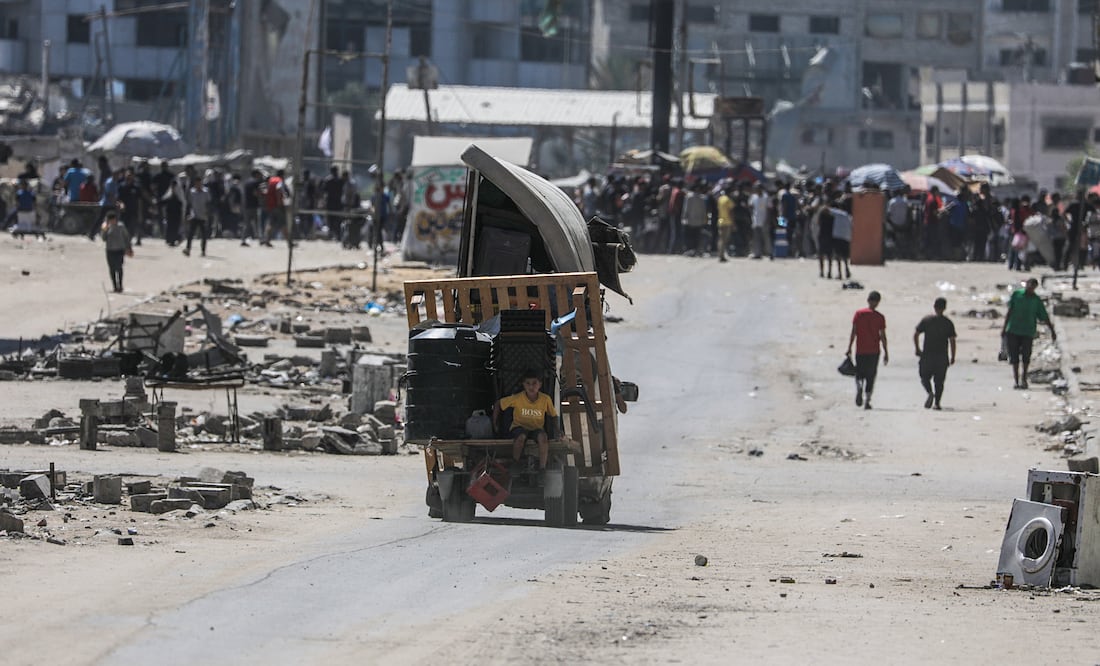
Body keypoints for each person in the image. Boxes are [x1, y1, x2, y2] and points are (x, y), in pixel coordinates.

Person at [493, 369, 558, 471]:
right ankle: (515, 464)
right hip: (519, 428)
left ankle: (542, 469)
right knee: (521, 437)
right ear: (523, 385)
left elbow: (553, 416)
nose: (531, 387)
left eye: (534, 383)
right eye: (528, 383)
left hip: (536, 429)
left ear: (540, 384)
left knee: (543, 437)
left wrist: (558, 430)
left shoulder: (545, 399)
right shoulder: (517, 398)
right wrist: (495, 423)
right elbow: (498, 404)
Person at [1001, 278, 1056, 390]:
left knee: (1026, 357)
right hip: (1013, 330)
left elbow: (1044, 316)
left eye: (1032, 287)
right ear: (1026, 285)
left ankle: (1024, 379)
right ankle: (1016, 381)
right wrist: (1004, 328)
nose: (1030, 289)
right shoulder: (1017, 295)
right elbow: (1010, 311)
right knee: (1014, 357)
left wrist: (1052, 330)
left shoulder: (1036, 300)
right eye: (1029, 286)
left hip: (1028, 332)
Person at [846, 290, 889, 410]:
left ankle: (859, 386)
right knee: (871, 375)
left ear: (868, 300)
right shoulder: (880, 317)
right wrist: (886, 352)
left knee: (859, 373)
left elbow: (854, 332)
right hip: (874, 351)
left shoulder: (859, 314)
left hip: (860, 350)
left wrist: (849, 347)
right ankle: (867, 400)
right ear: (878, 302)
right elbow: (883, 336)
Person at [914, 297, 957, 410]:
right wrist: (953, 356)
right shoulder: (948, 323)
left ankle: (929, 392)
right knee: (939, 381)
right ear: (945, 308)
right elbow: (952, 340)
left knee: (924, 377)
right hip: (942, 356)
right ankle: (937, 403)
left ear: (934, 307)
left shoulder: (927, 320)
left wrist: (917, 349)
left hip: (927, 354)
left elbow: (916, 334)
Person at [100, 209, 132, 293]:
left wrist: (129, 248)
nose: (111, 221)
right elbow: (103, 239)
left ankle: (120, 285)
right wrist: (105, 229)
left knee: (119, 268)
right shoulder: (106, 227)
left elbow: (126, 237)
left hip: (119, 250)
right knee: (112, 269)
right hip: (110, 250)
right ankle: (115, 286)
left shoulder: (121, 226)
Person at [184, 175, 210, 257]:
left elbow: (209, 203)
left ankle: (203, 251)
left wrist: (208, 213)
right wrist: (188, 214)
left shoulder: (206, 192)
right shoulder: (192, 192)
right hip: (194, 215)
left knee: (203, 235)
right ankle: (188, 249)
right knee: (191, 234)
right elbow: (189, 204)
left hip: (203, 216)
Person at [716, 184, 734, 262]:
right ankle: (721, 255)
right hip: (727, 221)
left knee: (721, 239)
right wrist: (733, 222)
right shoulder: (728, 200)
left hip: (720, 220)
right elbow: (730, 212)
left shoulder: (720, 199)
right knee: (724, 239)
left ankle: (720, 254)